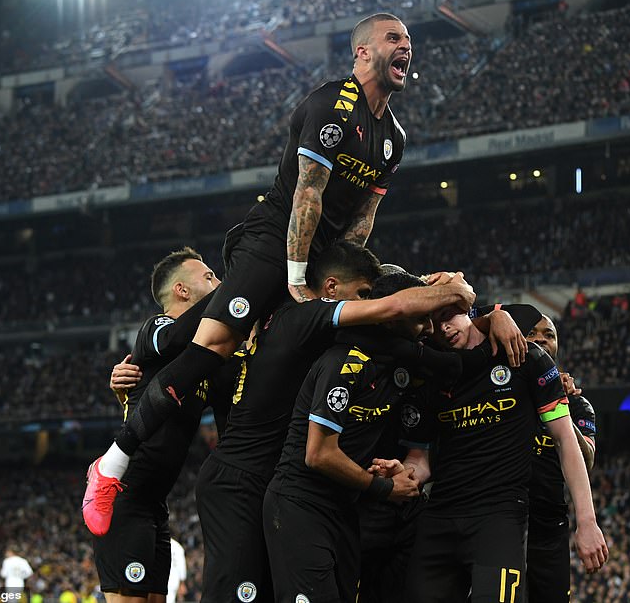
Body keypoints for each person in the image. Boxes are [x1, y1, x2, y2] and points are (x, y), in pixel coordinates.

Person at [83, 12, 414, 528]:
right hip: (271, 241)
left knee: (283, 355)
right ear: (363, 52)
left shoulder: (393, 137)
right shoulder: (332, 105)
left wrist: (335, 276)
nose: (406, 46)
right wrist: (298, 279)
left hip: (316, 256)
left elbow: (362, 218)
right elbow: (307, 193)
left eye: (409, 40)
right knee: (214, 345)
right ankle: (111, 463)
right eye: (394, 37)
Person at [196, 243, 476, 603]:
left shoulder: (384, 355)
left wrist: (496, 316)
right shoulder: (316, 329)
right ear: (331, 287)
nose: (367, 303)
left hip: (335, 502)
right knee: (235, 595)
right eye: (363, 294)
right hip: (267, 487)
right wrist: (458, 290)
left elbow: (449, 358)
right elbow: (318, 454)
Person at [262, 272, 450, 603]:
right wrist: (384, 488)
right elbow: (318, 454)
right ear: (392, 318)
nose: (430, 329)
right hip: (301, 505)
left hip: (345, 509)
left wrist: (497, 316)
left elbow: (459, 361)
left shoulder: (399, 366)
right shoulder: (345, 362)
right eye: (421, 319)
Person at [402, 306, 608, 603]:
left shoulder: (529, 361)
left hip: (508, 519)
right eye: (434, 322)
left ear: (467, 309)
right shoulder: (433, 372)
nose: (443, 327)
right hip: (441, 516)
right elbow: (419, 459)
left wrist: (587, 521)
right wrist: (402, 475)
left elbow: (567, 441)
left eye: (448, 315)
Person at [90, 247, 235, 603]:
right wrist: (233, 293)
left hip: (156, 503)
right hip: (125, 493)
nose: (218, 283)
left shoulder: (203, 361)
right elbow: (175, 340)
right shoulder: (158, 327)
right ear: (181, 290)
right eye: (209, 277)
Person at [525, 315, 597, 603]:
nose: (541, 339)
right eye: (532, 332)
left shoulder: (577, 405)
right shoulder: (505, 391)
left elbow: (587, 460)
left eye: (549, 334)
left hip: (549, 529)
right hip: (505, 519)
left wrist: (560, 407)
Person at [167, 538, 186, 603]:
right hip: (174, 579)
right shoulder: (178, 546)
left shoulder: (159, 543)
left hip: (162, 578)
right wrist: (182, 581)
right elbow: (181, 566)